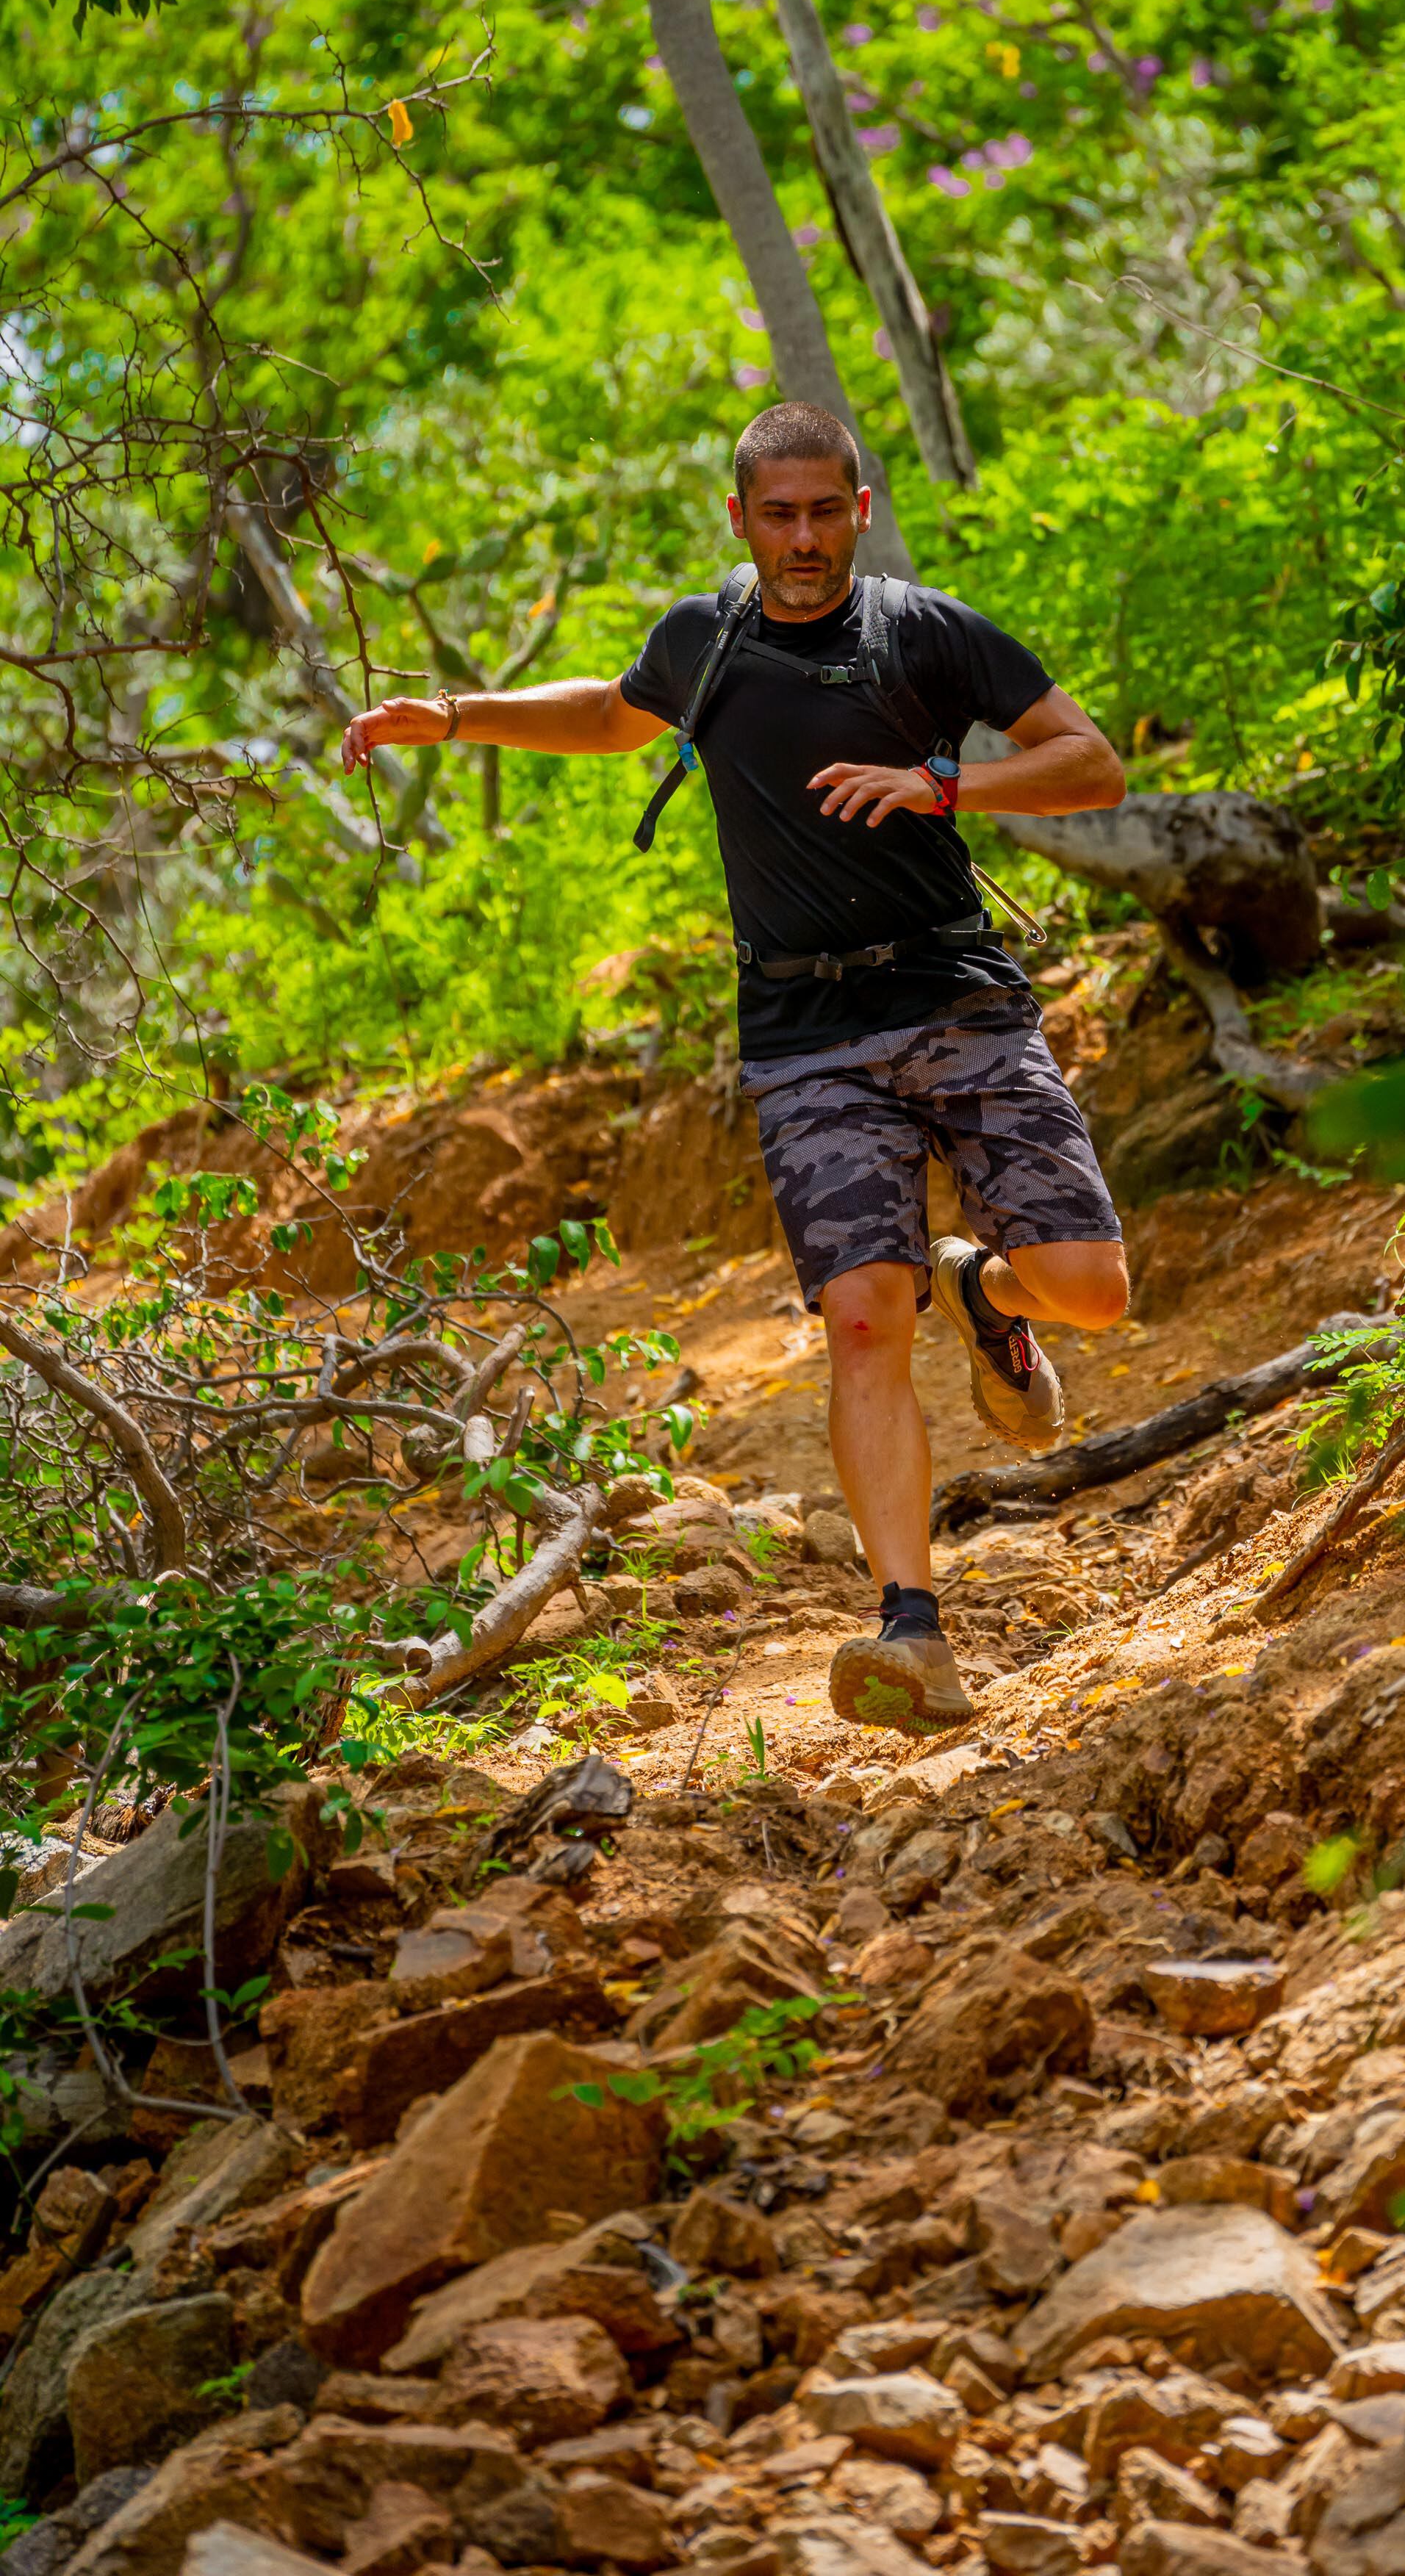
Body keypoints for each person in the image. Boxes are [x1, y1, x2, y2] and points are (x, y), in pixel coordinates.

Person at [342, 399, 1131, 1738]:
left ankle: (984, 1290)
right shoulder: (703, 638)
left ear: (860, 511)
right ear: (741, 518)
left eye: (826, 511)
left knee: (1092, 1294)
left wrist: (946, 786)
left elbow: (1092, 765)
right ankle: (911, 1628)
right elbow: (612, 716)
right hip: (803, 1036)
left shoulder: (928, 633)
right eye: (779, 515)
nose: (803, 538)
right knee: (863, 1320)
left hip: (958, 999)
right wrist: (459, 717)